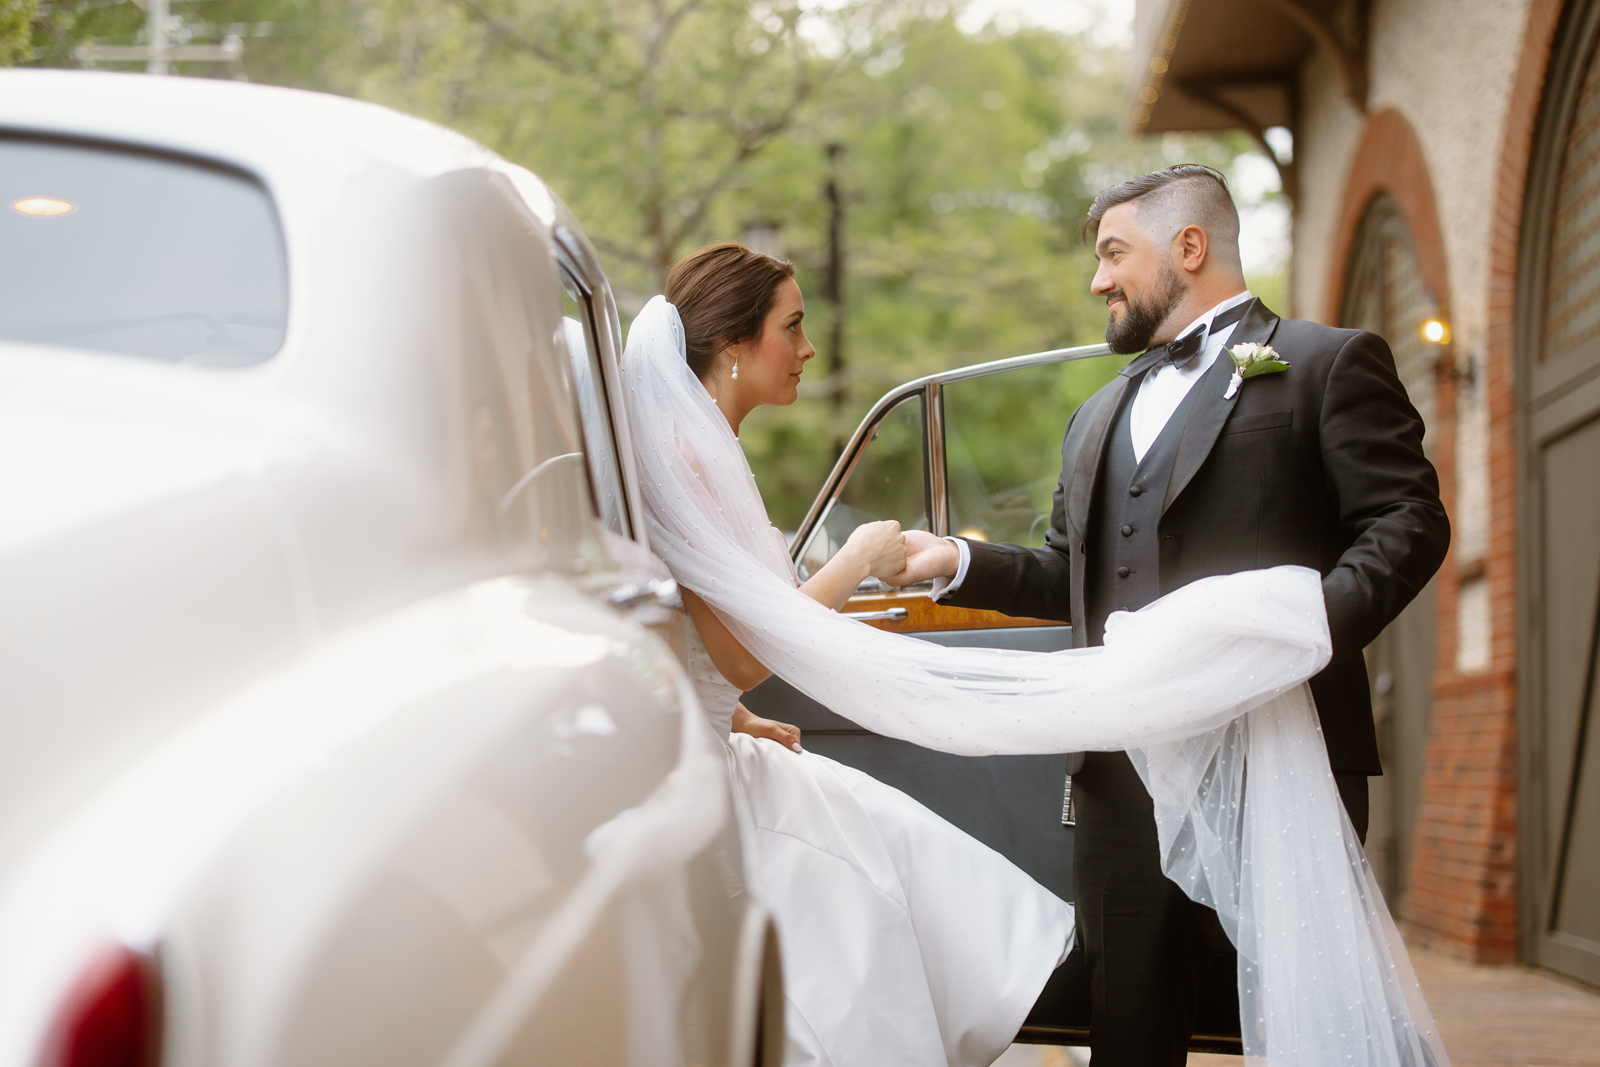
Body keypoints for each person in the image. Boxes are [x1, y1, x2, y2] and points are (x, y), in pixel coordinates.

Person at [890, 164, 1451, 1067]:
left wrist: (1301, 632)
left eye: (1114, 253)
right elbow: (1072, 574)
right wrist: (956, 560)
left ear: (1190, 248)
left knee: (1307, 1022)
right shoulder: (1095, 414)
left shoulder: (1323, 363)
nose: (1097, 280)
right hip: (1121, 777)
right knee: (1128, 1032)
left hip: (1280, 756)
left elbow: (1410, 521)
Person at [647, 242, 1076, 1067]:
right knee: (869, 922)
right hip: (704, 789)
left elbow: (676, 632)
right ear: (734, 343)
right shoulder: (689, 458)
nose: (808, 349)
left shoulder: (701, 448)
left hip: (717, 743)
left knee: (912, 871)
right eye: (793, 326)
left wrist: (732, 715)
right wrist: (855, 564)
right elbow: (736, 650)